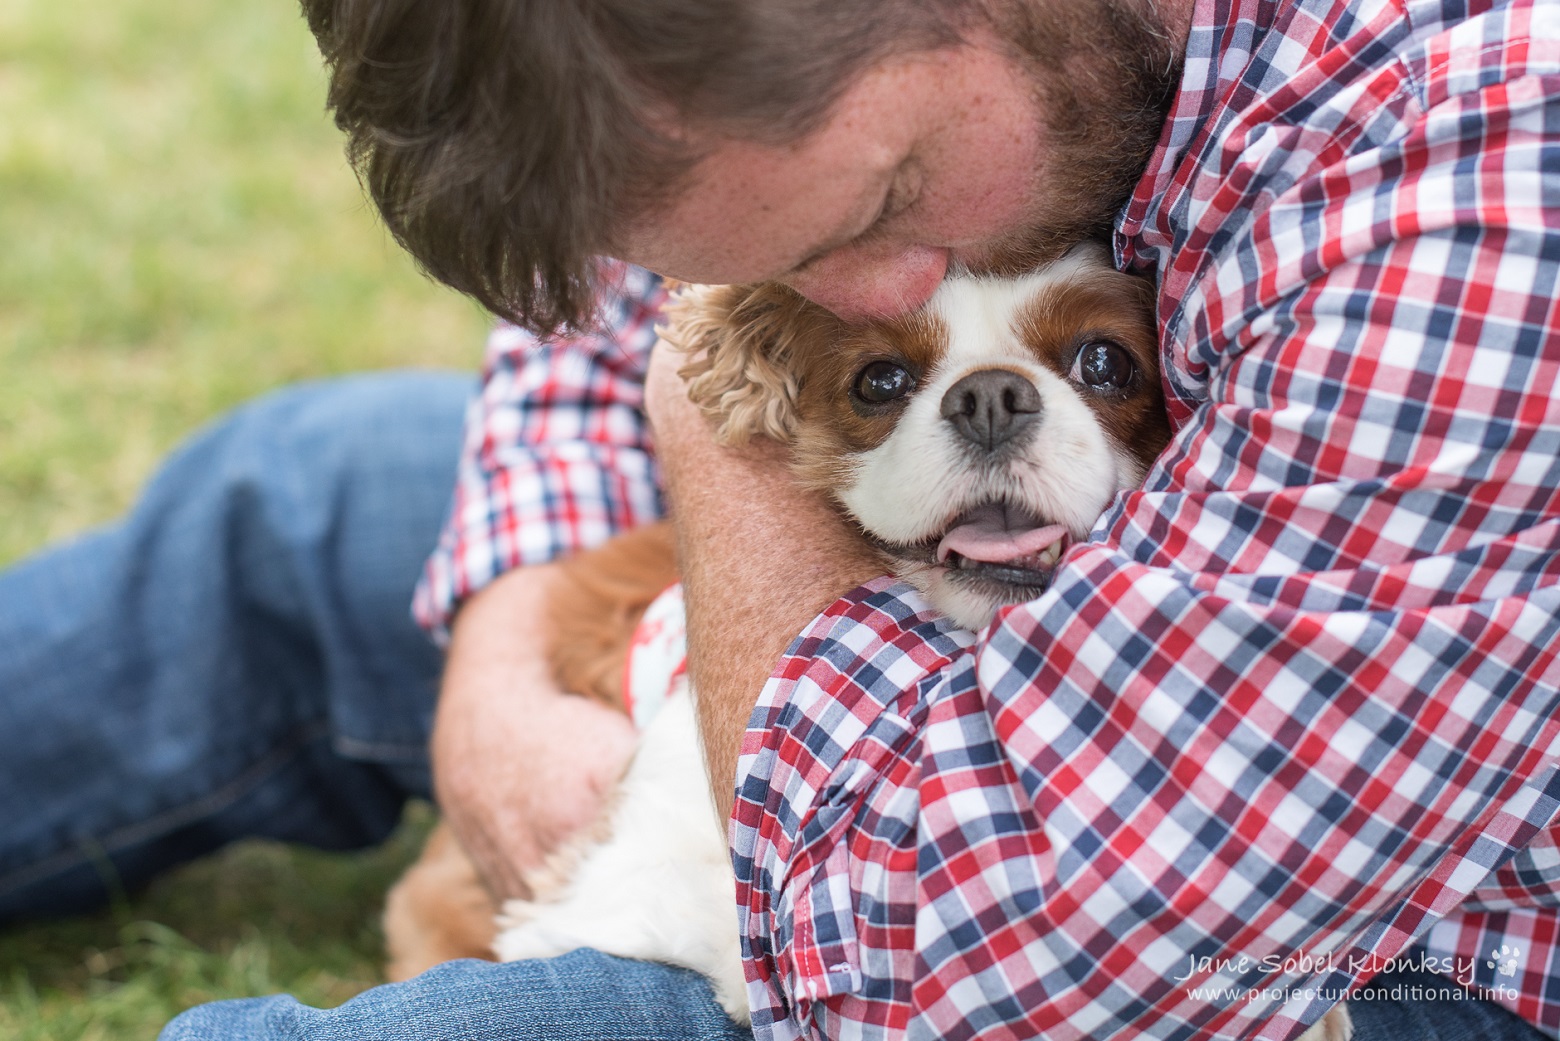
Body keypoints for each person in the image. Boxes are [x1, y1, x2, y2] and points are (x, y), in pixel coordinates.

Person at [6, 0, 1550, 1036]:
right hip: (941, 657)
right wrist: (503, 645)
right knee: (309, 489)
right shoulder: (814, 83)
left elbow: (964, 964)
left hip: (1315, 940)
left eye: (881, 213)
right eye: (784, 270)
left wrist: (718, 440)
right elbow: (636, 312)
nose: (859, 298)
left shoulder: (1475, 179)